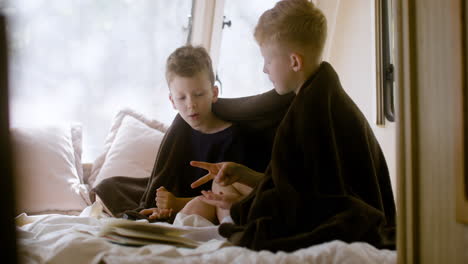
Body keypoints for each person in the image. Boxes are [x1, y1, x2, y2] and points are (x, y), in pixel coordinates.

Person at [188, 0, 396, 252]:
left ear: (294, 62)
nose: (264, 68)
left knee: (245, 227)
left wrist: (239, 208)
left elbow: (307, 203)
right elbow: (299, 184)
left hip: (352, 222)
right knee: (225, 187)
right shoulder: (322, 95)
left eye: (267, 60)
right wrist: (244, 174)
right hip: (358, 213)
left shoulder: (312, 112)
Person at [137, 45, 266, 221]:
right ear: (172, 101)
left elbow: (231, 194)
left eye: (198, 94)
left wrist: (177, 203)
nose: (191, 105)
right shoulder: (179, 130)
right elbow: (167, 178)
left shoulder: (235, 138)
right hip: (185, 211)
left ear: (213, 93)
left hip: (217, 211)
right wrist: (164, 206)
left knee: (200, 205)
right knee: (111, 187)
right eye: (182, 98)